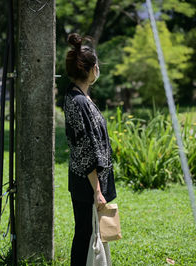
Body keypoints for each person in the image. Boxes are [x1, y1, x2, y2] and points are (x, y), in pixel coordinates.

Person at [63, 33, 117, 266]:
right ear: (93, 69)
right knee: (86, 236)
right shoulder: (79, 102)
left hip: (85, 180)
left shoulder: (77, 96)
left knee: (89, 234)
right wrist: (97, 190)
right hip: (88, 183)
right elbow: (86, 149)